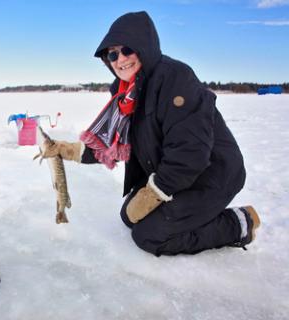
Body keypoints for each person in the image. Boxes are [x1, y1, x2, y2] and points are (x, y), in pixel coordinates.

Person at [40, 11, 260, 256]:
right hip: (176, 172)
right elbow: (111, 141)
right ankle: (188, 213)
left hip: (212, 173)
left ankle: (238, 224)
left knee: (149, 236)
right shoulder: (124, 93)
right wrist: (65, 149)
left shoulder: (176, 78)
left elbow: (191, 152)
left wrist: (154, 193)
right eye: (112, 54)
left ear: (144, 46)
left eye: (127, 50)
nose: (119, 59)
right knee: (128, 216)